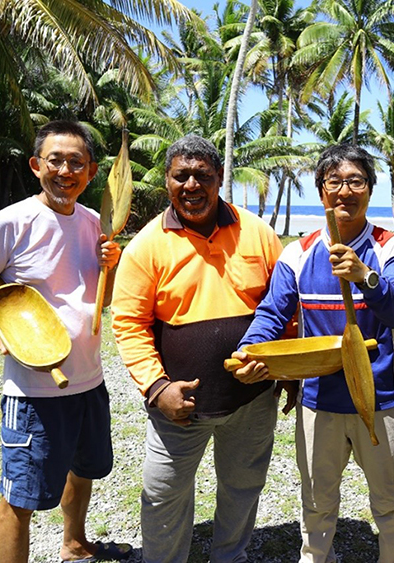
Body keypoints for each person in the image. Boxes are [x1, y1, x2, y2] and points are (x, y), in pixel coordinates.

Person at [110, 134, 293, 563]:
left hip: (251, 398)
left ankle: (231, 555)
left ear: (220, 179)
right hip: (179, 405)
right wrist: (157, 389)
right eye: (181, 176)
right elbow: (129, 324)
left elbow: (286, 307)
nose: (192, 185)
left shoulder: (259, 234)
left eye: (202, 176)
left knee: (243, 485)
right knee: (163, 493)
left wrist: (284, 370)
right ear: (167, 183)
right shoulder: (146, 246)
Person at [232, 144, 394, 563]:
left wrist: (365, 277)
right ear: (321, 192)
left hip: (379, 397)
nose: (344, 191)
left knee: (390, 502)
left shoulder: (392, 248)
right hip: (318, 402)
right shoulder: (297, 252)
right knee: (317, 503)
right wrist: (249, 348)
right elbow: (272, 312)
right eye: (334, 182)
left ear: (369, 190)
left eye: (355, 181)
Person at [0, 120, 128, 562]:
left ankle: (74, 543)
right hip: (32, 390)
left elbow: (98, 301)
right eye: (56, 160)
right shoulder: (10, 222)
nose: (65, 171)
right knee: (21, 495)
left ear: (90, 173)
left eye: (76, 163)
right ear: (36, 165)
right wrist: (5, 340)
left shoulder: (95, 224)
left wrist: (114, 264)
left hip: (89, 379)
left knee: (83, 467)